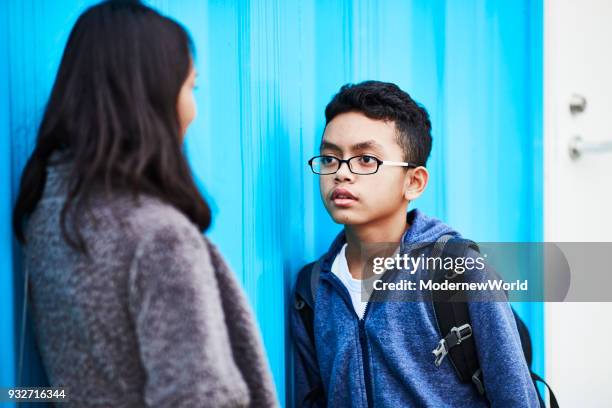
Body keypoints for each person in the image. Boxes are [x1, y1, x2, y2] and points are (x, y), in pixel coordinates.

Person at [12, 1, 277, 407]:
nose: (192, 108)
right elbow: (197, 397)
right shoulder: (160, 238)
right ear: (151, 97)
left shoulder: (48, 215)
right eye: (191, 87)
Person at [291, 81, 539, 407]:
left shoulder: (457, 270)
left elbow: (516, 397)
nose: (342, 173)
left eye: (366, 159)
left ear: (414, 182)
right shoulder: (312, 289)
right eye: (330, 158)